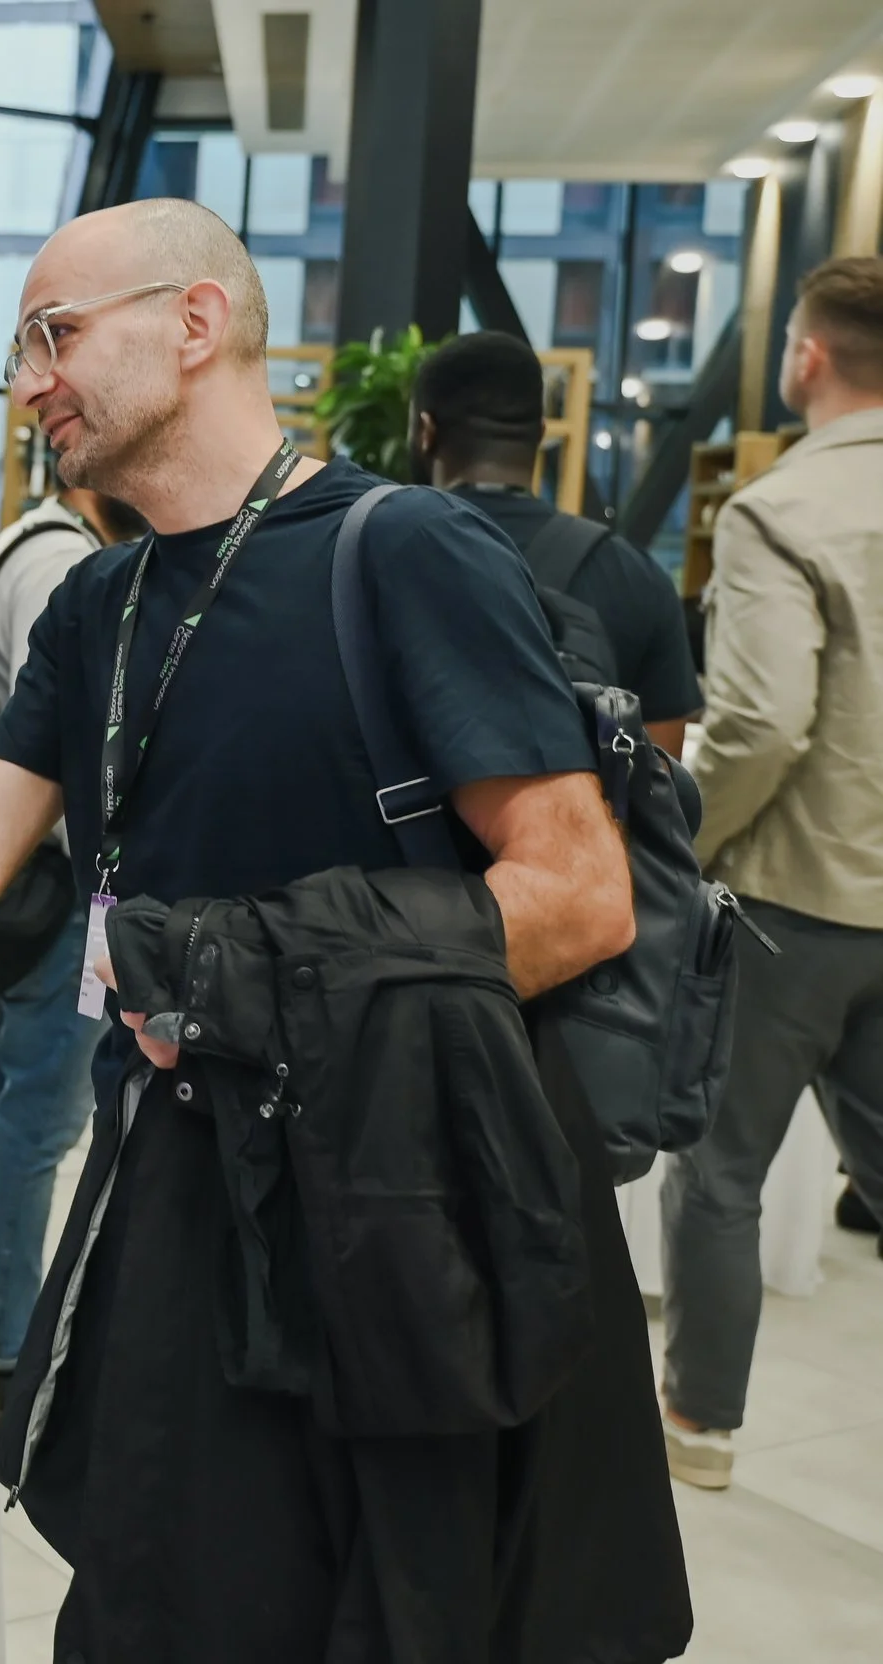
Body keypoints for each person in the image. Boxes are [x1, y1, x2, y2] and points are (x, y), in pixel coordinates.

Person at [0, 198, 689, 1663]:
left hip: (409, 1205)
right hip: (185, 1186)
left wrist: (240, 982)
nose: (29, 384)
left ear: (195, 325)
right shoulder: (99, 604)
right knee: (154, 1594)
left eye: (54, 336)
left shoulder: (405, 552)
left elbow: (578, 895)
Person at [660, 255, 883, 1492]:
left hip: (796, 898)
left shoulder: (776, 511)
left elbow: (760, 725)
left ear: (805, 356)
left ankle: (699, 1425)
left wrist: (683, 847)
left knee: (723, 1164)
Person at [0, 477, 140, 1376]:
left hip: (17, 896)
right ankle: (4, 1347)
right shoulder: (65, 562)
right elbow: (74, 751)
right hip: (54, 896)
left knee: (0, 1114)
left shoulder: (24, 544)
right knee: (35, 1129)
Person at [411, 331, 701, 752]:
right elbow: (660, 784)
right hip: (572, 817)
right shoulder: (637, 577)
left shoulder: (368, 556)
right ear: (542, 433)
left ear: (426, 431)